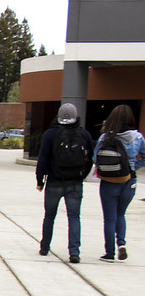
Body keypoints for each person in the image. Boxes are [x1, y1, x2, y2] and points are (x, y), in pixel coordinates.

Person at [36, 103, 93, 263]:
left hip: (54, 181)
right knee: (74, 217)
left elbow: (43, 160)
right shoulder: (84, 134)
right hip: (75, 183)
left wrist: (40, 180)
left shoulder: (50, 134)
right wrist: (82, 176)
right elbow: (89, 159)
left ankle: (45, 247)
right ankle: (74, 252)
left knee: (49, 216)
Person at [93, 104, 144, 262]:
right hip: (129, 180)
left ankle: (109, 253)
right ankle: (121, 243)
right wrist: (133, 167)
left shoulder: (105, 137)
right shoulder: (138, 138)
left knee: (109, 217)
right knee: (121, 214)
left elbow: (95, 158)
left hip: (109, 182)